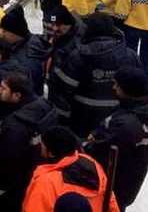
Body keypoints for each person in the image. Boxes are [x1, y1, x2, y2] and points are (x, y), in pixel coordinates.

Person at [55, 13, 140, 136]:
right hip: (119, 119)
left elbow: (64, 92)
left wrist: (62, 124)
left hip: (82, 118)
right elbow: (139, 90)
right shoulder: (130, 56)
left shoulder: (78, 56)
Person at [0, 72, 58, 212]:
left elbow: (9, 164)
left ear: (17, 96)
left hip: (12, 187)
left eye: (3, 88)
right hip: (34, 175)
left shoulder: (15, 126)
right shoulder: (43, 106)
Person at [82, 66, 148, 210]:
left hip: (114, 182)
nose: (113, 87)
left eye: (117, 85)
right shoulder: (136, 110)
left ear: (129, 91)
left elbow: (97, 149)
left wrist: (86, 143)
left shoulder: (126, 126)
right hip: (130, 180)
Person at [23, 126, 119, 211]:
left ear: (51, 153)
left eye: (43, 144)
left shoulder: (45, 182)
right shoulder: (90, 163)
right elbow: (110, 199)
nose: (40, 145)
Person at [0, 5, 52, 97]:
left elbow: (25, 90)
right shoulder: (24, 42)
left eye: (5, 31)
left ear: (15, 32)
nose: (1, 34)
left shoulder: (27, 60)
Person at [45, 6, 87, 118]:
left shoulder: (77, 42)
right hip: (56, 83)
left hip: (66, 90)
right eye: (53, 25)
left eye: (58, 25)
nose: (54, 28)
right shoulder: (63, 33)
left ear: (68, 23)